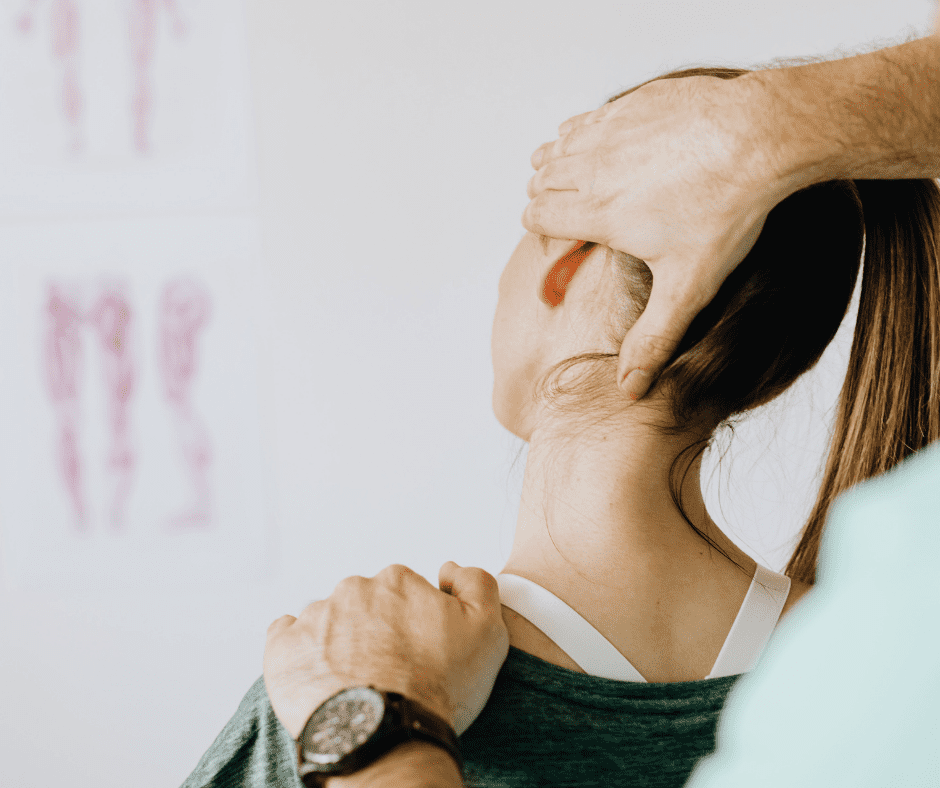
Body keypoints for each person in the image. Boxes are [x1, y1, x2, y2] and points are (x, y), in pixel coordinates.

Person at [182, 25, 940, 788]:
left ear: (565, 265)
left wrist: (360, 721)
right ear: (770, 360)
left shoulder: (337, 705)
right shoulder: (902, 676)